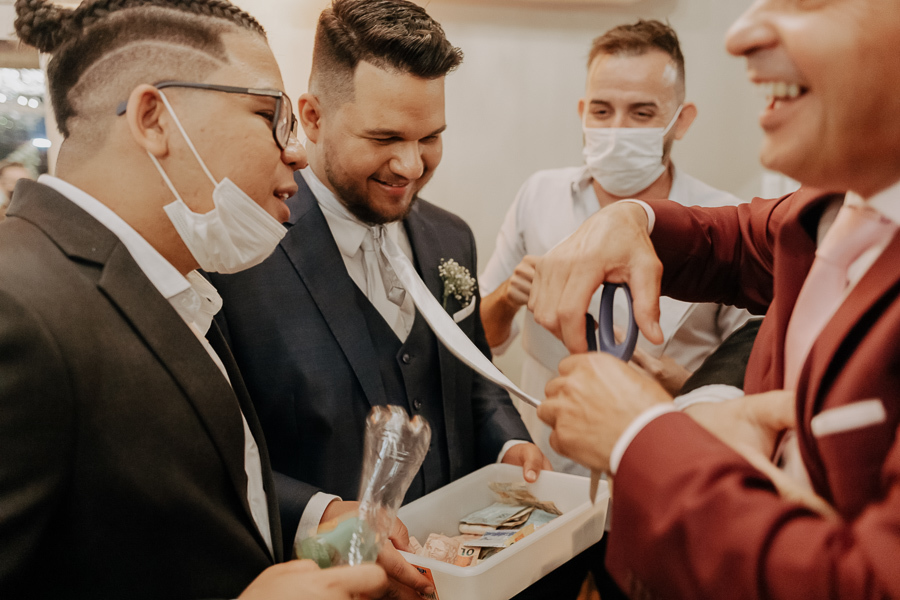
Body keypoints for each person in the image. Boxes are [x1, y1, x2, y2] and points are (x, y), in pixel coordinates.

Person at [0, 0, 388, 597]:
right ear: (155, 119)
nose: (299, 153)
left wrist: (314, 534)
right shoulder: (17, 304)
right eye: (269, 115)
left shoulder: (175, 285)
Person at [531, 0, 900, 597]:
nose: (739, 34)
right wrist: (635, 217)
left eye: (808, 1)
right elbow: (737, 239)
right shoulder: (840, 197)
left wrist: (642, 437)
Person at [209, 0, 547, 592]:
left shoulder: (451, 236)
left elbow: (476, 378)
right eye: (385, 137)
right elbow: (219, 454)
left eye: (431, 137)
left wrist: (510, 442)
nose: (411, 165)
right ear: (311, 117)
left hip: (457, 572)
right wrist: (319, 512)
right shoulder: (237, 257)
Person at [479, 19, 752, 475]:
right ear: (583, 110)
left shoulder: (723, 224)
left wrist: (682, 385)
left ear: (681, 120)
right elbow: (481, 339)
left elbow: (750, 377)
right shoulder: (539, 195)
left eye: (642, 113)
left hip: (665, 472)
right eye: (602, 112)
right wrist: (509, 295)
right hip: (548, 474)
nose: (618, 128)